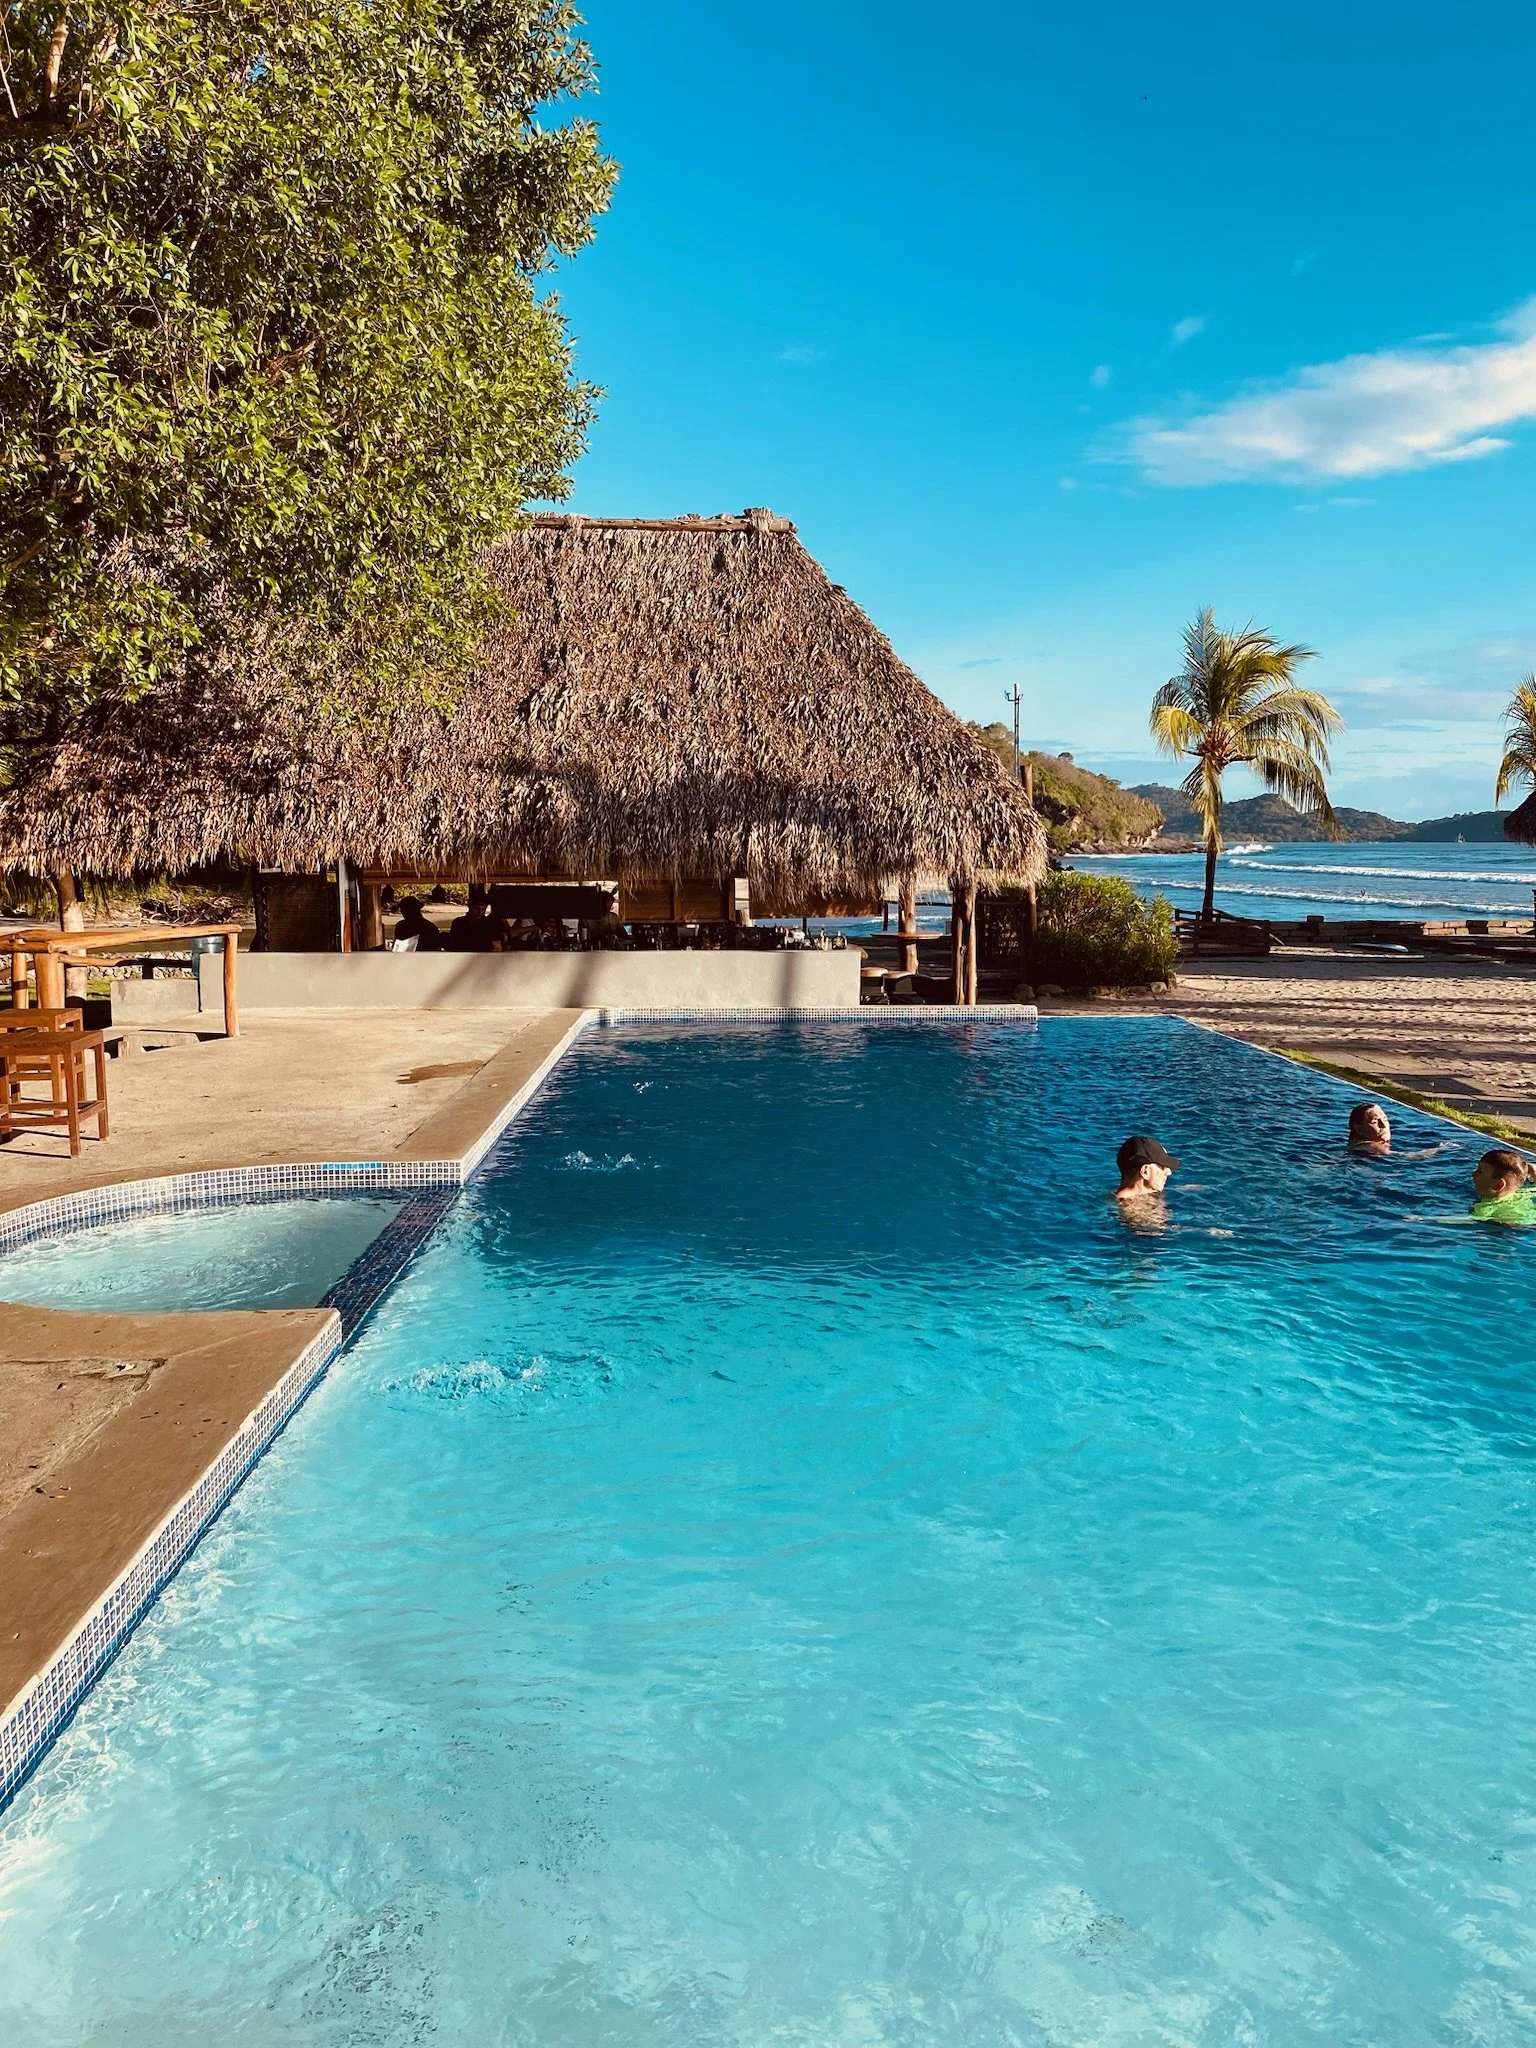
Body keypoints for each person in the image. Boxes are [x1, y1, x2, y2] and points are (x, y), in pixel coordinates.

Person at [1113, 1135, 1179, 1212]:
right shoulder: (1132, 1207)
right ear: (1145, 1172)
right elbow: (1150, 1223)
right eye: (1163, 1167)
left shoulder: (1146, 1192)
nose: (1169, 1172)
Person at [1471, 1149, 1536, 1225]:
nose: (1473, 1174)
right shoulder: (1526, 1193)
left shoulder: (1484, 1209)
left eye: (1480, 1171)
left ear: (1499, 1184)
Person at [446, 886, 508, 952]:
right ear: (470, 906)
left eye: (483, 909)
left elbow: (497, 947)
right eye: (476, 908)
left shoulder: (491, 925)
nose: (480, 912)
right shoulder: (458, 923)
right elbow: (453, 945)